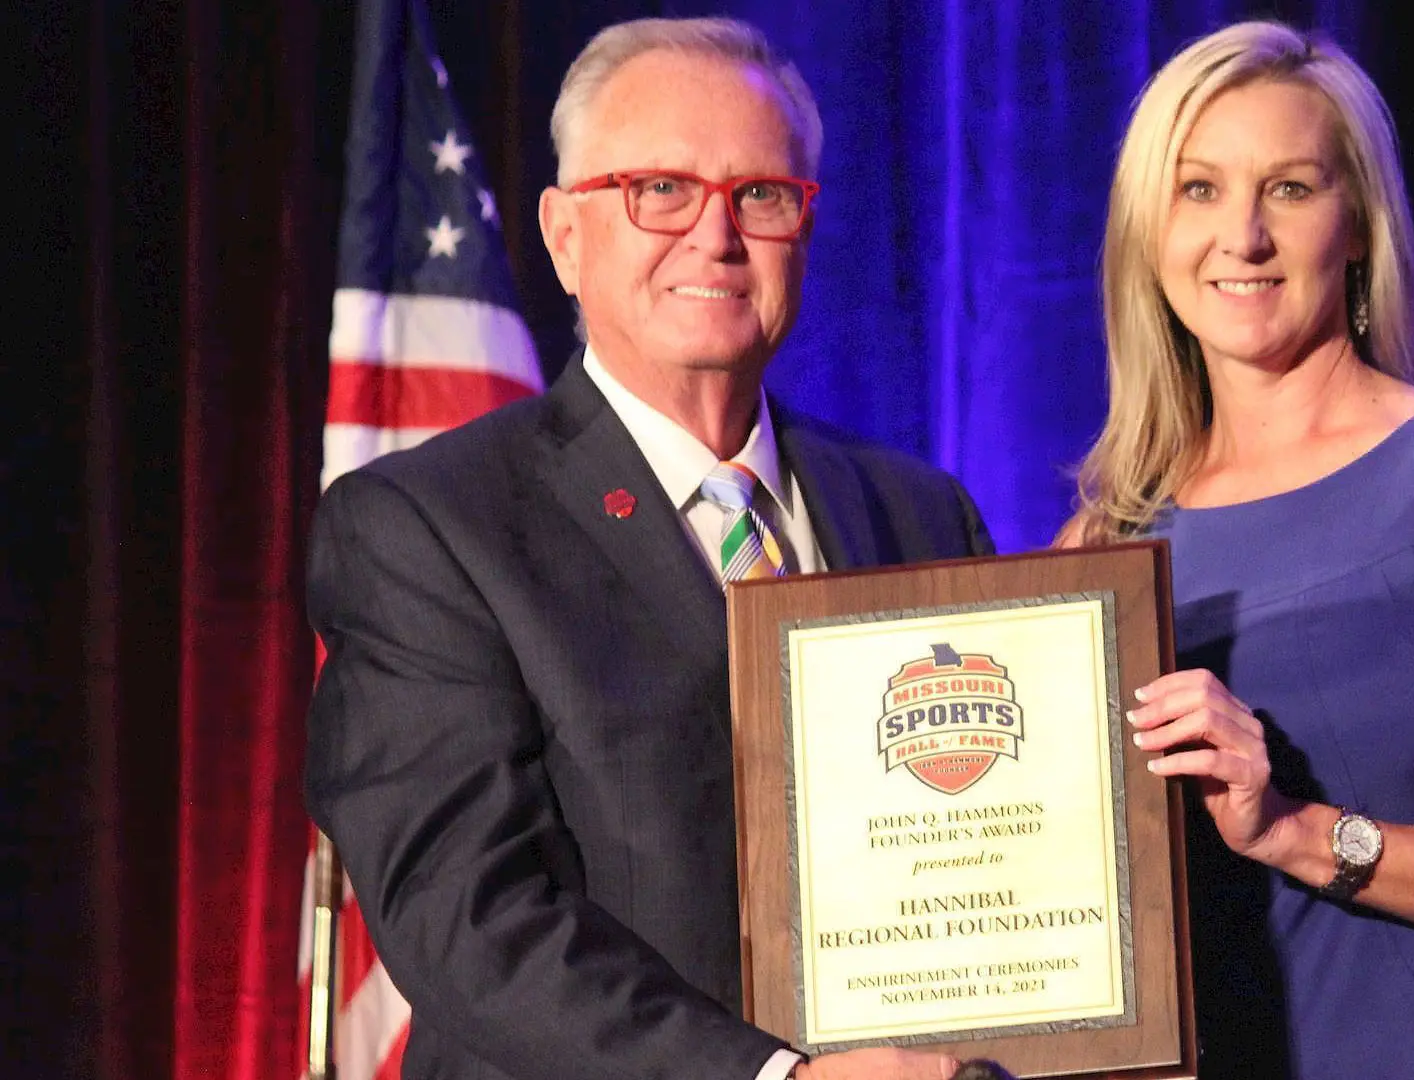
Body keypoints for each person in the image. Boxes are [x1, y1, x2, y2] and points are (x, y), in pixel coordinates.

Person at [304, 18, 990, 1080]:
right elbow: (468, 917)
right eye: (660, 189)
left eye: (760, 194)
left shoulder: (921, 516)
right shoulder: (426, 528)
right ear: (564, 236)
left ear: (805, 228)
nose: (715, 235)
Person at [1060, 21, 1414, 1079]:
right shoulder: (1105, 540)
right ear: (1148, 232)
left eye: (1290, 188)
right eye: (1199, 189)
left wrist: (1291, 831)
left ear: (1358, 224)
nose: (1243, 237)